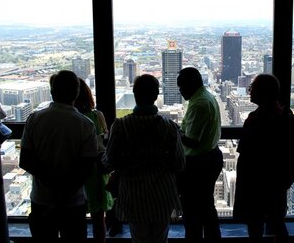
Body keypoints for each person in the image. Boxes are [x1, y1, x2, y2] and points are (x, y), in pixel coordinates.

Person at [103, 74, 185, 243]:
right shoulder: (169, 127)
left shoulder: (120, 126)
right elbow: (179, 163)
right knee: (161, 239)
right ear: (156, 96)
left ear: (134, 94)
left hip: (134, 195)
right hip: (163, 195)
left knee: (139, 239)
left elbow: (109, 161)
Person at [19, 70, 98, 241]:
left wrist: (51, 182)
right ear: (76, 93)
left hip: (42, 199)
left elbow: (25, 160)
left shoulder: (34, 119)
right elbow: (86, 168)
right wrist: (64, 190)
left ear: (52, 92)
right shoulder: (86, 125)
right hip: (73, 201)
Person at [233, 74, 294, 243]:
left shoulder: (255, 119)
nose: (250, 92)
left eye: (253, 89)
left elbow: (245, 156)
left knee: (255, 227)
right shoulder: (287, 119)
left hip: (255, 185)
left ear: (263, 93)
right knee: (278, 225)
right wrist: (284, 182)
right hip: (275, 185)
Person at [177, 67, 223, 243]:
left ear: (191, 84)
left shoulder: (198, 104)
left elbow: (192, 141)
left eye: (182, 86)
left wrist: (177, 134)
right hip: (210, 157)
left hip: (198, 163)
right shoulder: (207, 96)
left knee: (192, 210)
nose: (180, 91)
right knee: (206, 206)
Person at [74, 78, 114, 243]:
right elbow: (104, 143)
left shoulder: (72, 119)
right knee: (98, 218)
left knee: (75, 217)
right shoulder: (97, 116)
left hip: (75, 171)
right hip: (95, 172)